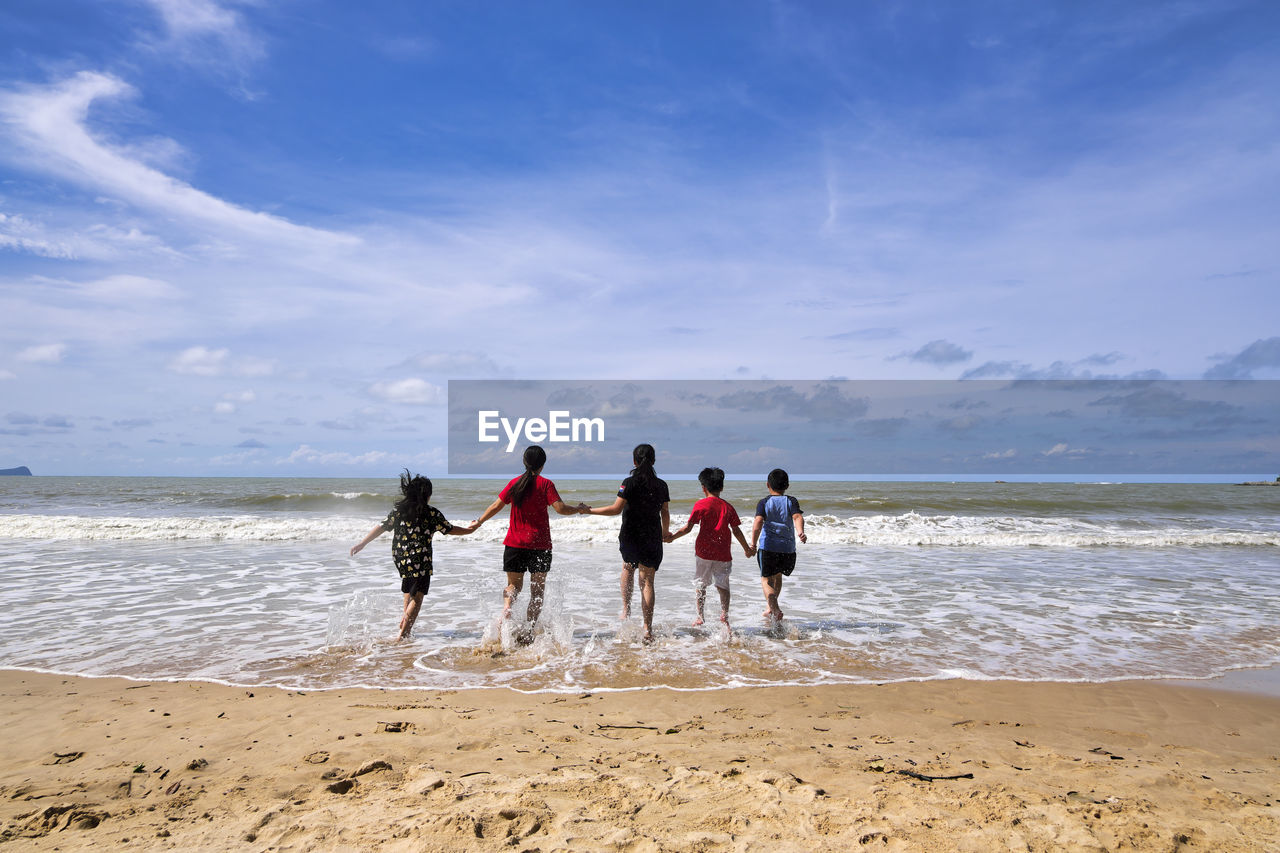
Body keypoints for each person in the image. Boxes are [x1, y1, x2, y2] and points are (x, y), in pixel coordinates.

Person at [350, 470, 476, 640]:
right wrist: (470, 530)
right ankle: (403, 634)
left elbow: (382, 526)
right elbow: (450, 529)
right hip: (420, 557)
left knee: (409, 586)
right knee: (419, 594)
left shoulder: (399, 511)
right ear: (427, 495)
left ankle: (405, 621)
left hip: (400, 556)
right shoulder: (431, 513)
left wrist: (362, 543)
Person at [472, 445, 585, 632]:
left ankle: (507, 606)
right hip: (540, 546)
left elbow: (496, 506)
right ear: (542, 465)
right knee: (537, 592)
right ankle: (529, 630)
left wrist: (479, 521)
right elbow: (561, 509)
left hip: (514, 544)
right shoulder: (546, 484)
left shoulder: (515, 483)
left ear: (524, 462)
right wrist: (579, 509)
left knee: (513, 586)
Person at [582, 443, 670, 644]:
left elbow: (615, 509)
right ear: (654, 461)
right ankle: (647, 629)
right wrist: (665, 532)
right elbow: (664, 512)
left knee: (628, 567)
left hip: (631, 535)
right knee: (648, 581)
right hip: (652, 536)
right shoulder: (662, 485)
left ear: (634, 461)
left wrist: (588, 510)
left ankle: (626, 609)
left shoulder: (628, 483)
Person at [666, 467, 753, 628]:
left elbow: (688, 528)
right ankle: (724, 615)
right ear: (721, 487)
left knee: (700, 584)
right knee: (723, 585)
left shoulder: (700, 505)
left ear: (703, 488)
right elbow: (737, 531)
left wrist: (672, 538)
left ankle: (700, 617)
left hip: (704, 553)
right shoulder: (728, 507)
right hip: (723, 553)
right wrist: (747, 549)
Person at [750, 467, 806, 624]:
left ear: (768, 485)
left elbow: (758, 523)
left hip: (768, 548)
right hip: (787, 549)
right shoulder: (791, 501)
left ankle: (774, 608)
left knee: (766, 580)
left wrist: (753, 544)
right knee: (778, 575)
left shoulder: (764, 502)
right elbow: (797, 517)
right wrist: (800, 532)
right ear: (787, 486)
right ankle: (770, 608)